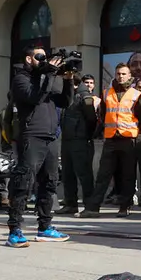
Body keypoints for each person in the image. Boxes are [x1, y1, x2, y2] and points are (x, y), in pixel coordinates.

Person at [5, 46, 75, 247]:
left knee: (50, 183)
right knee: (24, 182)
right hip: (32, 135)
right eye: (40, 56)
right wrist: (50, 74)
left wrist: (68, 79)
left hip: (51, 136)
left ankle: (44, 227)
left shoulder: (48, 79)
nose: (44, 59)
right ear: (29, 58)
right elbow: (35, 97)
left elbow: (66, 102)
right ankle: (15, 230)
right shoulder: (21, 79)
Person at [78, 63, 141, 218]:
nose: (120, 76)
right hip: (111, 138)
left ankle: (125, 206)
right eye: (118, 73)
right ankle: (93, 207)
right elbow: (103, 115)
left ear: (129, 76)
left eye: (124, 74)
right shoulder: (107, 93)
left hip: (128, 139)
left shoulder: (135, 94)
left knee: (128, 175)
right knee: (103, 175)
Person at [54, 75, 98, 215]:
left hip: (81, 140)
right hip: (67, 139)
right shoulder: (68, 96)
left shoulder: (84, 97)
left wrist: (86, 135)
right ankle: (70, 203)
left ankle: (89, 205)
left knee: (84, 174)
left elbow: (92, 120)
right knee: (68, 174)